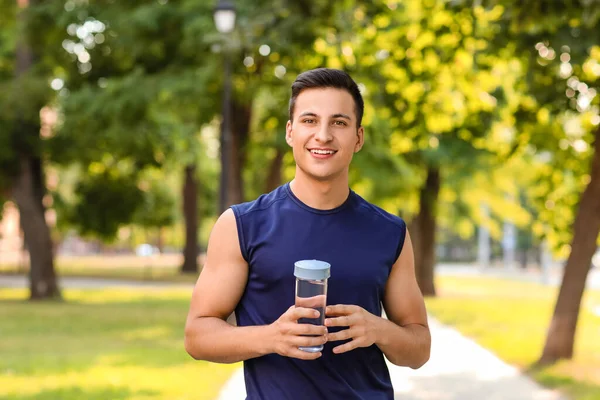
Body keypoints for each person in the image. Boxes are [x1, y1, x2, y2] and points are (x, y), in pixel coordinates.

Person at [184, 68, 431, 399]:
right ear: (290, 131)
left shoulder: (390, 232)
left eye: (339, 122)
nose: (323, 135)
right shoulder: (242, 225)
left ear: (358, 138)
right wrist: (272, 337)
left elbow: (419, 349)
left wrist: (378, 329)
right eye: (310, 120)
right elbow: (197, 335)